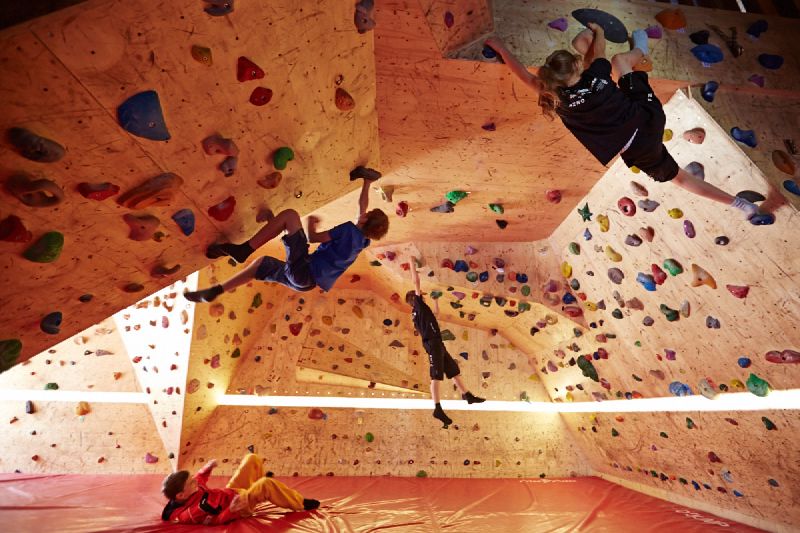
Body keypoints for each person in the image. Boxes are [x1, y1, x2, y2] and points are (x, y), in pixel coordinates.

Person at [485, 23, 775, 225]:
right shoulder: (596, 75)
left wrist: (498, 47)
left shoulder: (554, 96)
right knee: (620, 60)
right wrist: (597, 31)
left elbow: (523, 75)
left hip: (636, 147)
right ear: (577, 68)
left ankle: (743, 207)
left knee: (680, 179)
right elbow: (601, 52)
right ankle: (641, 46)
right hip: (646, 116)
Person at [184, 166, 389, 302]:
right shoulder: (361, 241)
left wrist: (311, 225)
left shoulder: (348, 230)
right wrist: (367, 183)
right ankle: (217, 291)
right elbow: (362, 209)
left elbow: (312, 239)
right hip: (305, 283)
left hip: (305, 272)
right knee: (261, 265)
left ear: (365, 221)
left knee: (291, 216)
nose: (364, 213)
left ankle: (244, 249)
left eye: (367, 215)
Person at [407, 257, 485, 429]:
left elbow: (436, 315)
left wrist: (435, 301)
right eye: (421, 297)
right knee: (436, 376)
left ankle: (467, 395)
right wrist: (411, 263)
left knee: (453, 370)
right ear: (415, 299)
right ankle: (437, 408)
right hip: (432, 344)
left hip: (438, 343)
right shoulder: (418, 307)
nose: (424, 298)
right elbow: (416, 281)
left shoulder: (422, 312)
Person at [160, 454, 320, 525]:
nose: (195, 481)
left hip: (232, 492)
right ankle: (300, 502)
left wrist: (207, 468)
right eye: (191, 482)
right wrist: (232, 509)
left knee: (252, 459)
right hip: (239, 506)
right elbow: (213, 521)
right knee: (266, 483)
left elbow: (200, 477)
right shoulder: (190, 514)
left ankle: (259, 488)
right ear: (181, 495)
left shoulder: (191, 488)